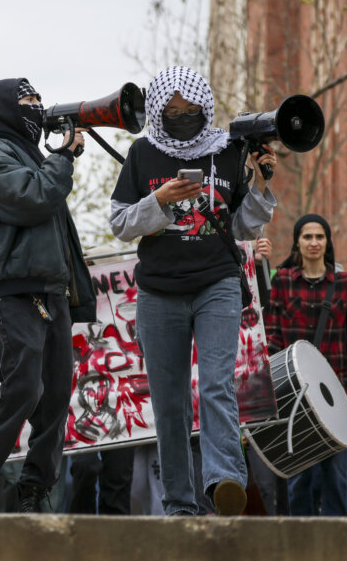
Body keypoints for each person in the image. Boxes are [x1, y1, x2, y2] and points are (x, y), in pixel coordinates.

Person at [107, 66, 276, 516]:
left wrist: (260, 183)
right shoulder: (142, 152)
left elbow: (242, 226)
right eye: (173, 110)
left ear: (206, 107)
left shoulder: (227, 149)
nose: (183, 116)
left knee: (218, 383)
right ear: (159, 111)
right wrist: (160, 201)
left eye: (192, 110)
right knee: (169, 400)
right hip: (159, 291)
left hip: (216, 283)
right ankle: (180, 501)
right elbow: (120, 223)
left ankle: (224, 479)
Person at [0, 77, 97, 514]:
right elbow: (35, 198)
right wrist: (64, 156)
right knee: (25, 387)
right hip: (13, 288)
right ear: (5, 111)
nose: (38, 106)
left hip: (50, 289)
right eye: (27, 100)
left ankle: (35, 491)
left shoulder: (33, 156)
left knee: (55, 397)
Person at [265, 214, 347, 516]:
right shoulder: (281, 281)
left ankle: (335, 546)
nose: (313, 242)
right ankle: (301, 546)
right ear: (297, 241)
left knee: (338, 479)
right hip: (293, 394)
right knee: (300, 480)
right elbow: (272, 336)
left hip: (337, 390)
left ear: (327, 242)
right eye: (307, 236)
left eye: (319, 237)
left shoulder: (345, 282)